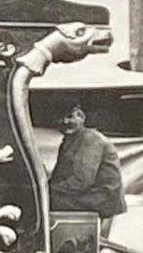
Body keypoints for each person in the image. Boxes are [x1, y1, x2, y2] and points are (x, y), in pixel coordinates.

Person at [48, 101, 126, 237]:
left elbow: (81, 181)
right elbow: (60, 176)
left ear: (82, 117)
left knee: (43, 201)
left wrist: (48, 190)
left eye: (70, 116)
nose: (65, 121)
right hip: (87, 195)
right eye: (60, 118)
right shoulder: (68, 141)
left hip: (100, 199)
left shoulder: (91, 140)